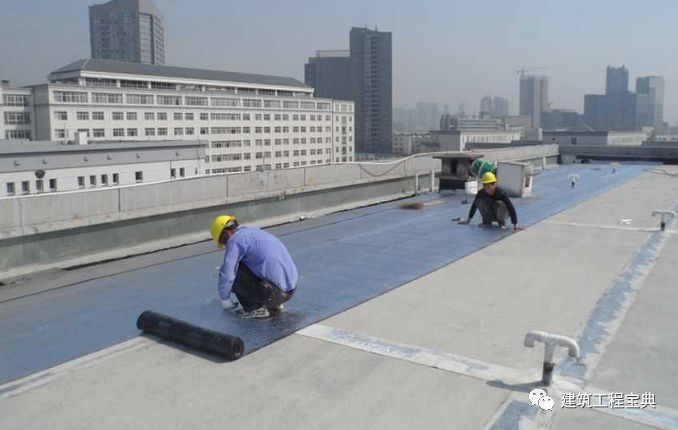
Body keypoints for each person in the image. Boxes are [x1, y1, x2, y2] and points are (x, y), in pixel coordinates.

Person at [210, 215, 298, 319]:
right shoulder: (252, 231)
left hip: (274, 293)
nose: (225, 245)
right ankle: (273, 304)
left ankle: (255, 309)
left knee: (235, 271)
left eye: (223, 241)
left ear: (225, 233)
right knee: (245, 265)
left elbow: (228, 274)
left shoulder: (235, 240)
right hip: (290, 290)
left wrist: (225, 300)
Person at [458, 172, 523, 231]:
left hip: (501, 214)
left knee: (499, 203)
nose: (487, 189)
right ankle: (487, 221)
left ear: (494, 184)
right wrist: (469, 220)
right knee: (479, 201)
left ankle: (501, 222)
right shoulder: (481, 193)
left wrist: (515, 224)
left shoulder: (501, 193)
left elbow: (510, 207)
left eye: (489, 186)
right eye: (485, 186)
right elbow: (474, 205)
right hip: (490, 213)